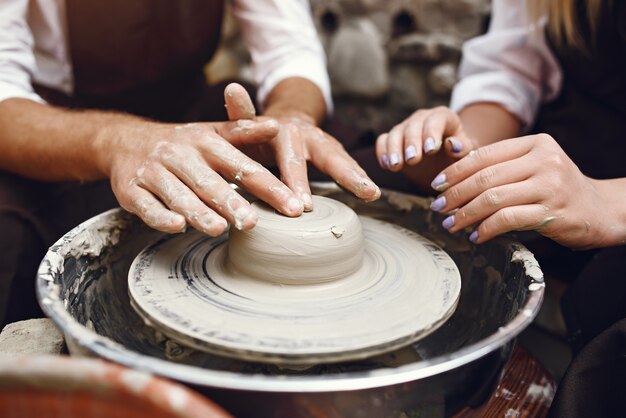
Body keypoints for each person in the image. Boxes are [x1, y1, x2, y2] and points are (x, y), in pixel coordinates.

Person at [0, 0, 381, 326]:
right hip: (60, 124)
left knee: (367, 162)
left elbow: (288, 51)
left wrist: (289, 117)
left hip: (188, 110)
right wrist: (117, 141)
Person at [377, 0, 625, 415]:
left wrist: (606, 202)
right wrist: (464, 151)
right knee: (370, 182)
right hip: (567, 160)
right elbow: (511, 68)